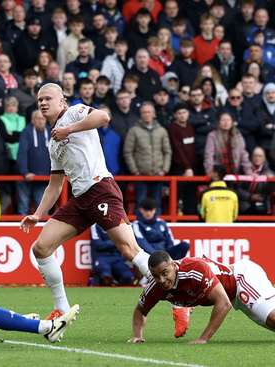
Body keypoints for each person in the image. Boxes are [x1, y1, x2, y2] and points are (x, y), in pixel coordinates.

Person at [19, 83, 151, 321]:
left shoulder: (74, 112)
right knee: (41, 247)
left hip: (101, 189)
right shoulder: (53, 142)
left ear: (62, 101)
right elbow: (55, 185)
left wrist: (69, 129)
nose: (43, 103)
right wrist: (38, 214)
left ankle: (179, 291)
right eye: (40, 100)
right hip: (80, 199)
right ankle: (61, 309)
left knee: (129, 250)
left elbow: (104, 116)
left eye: (48, 98)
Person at [130, 251, 275, 344]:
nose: (161, 280)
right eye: (156, 275)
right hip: (232, 296)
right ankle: (184, 309)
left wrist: (203, 339)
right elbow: (140, 311)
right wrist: (138, 336)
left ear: (174, 266)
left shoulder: (194, 270)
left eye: (165, 273)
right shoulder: (155, 287)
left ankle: (184, 309)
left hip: (241, 279)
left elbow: (223, 304)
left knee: (272, 318)